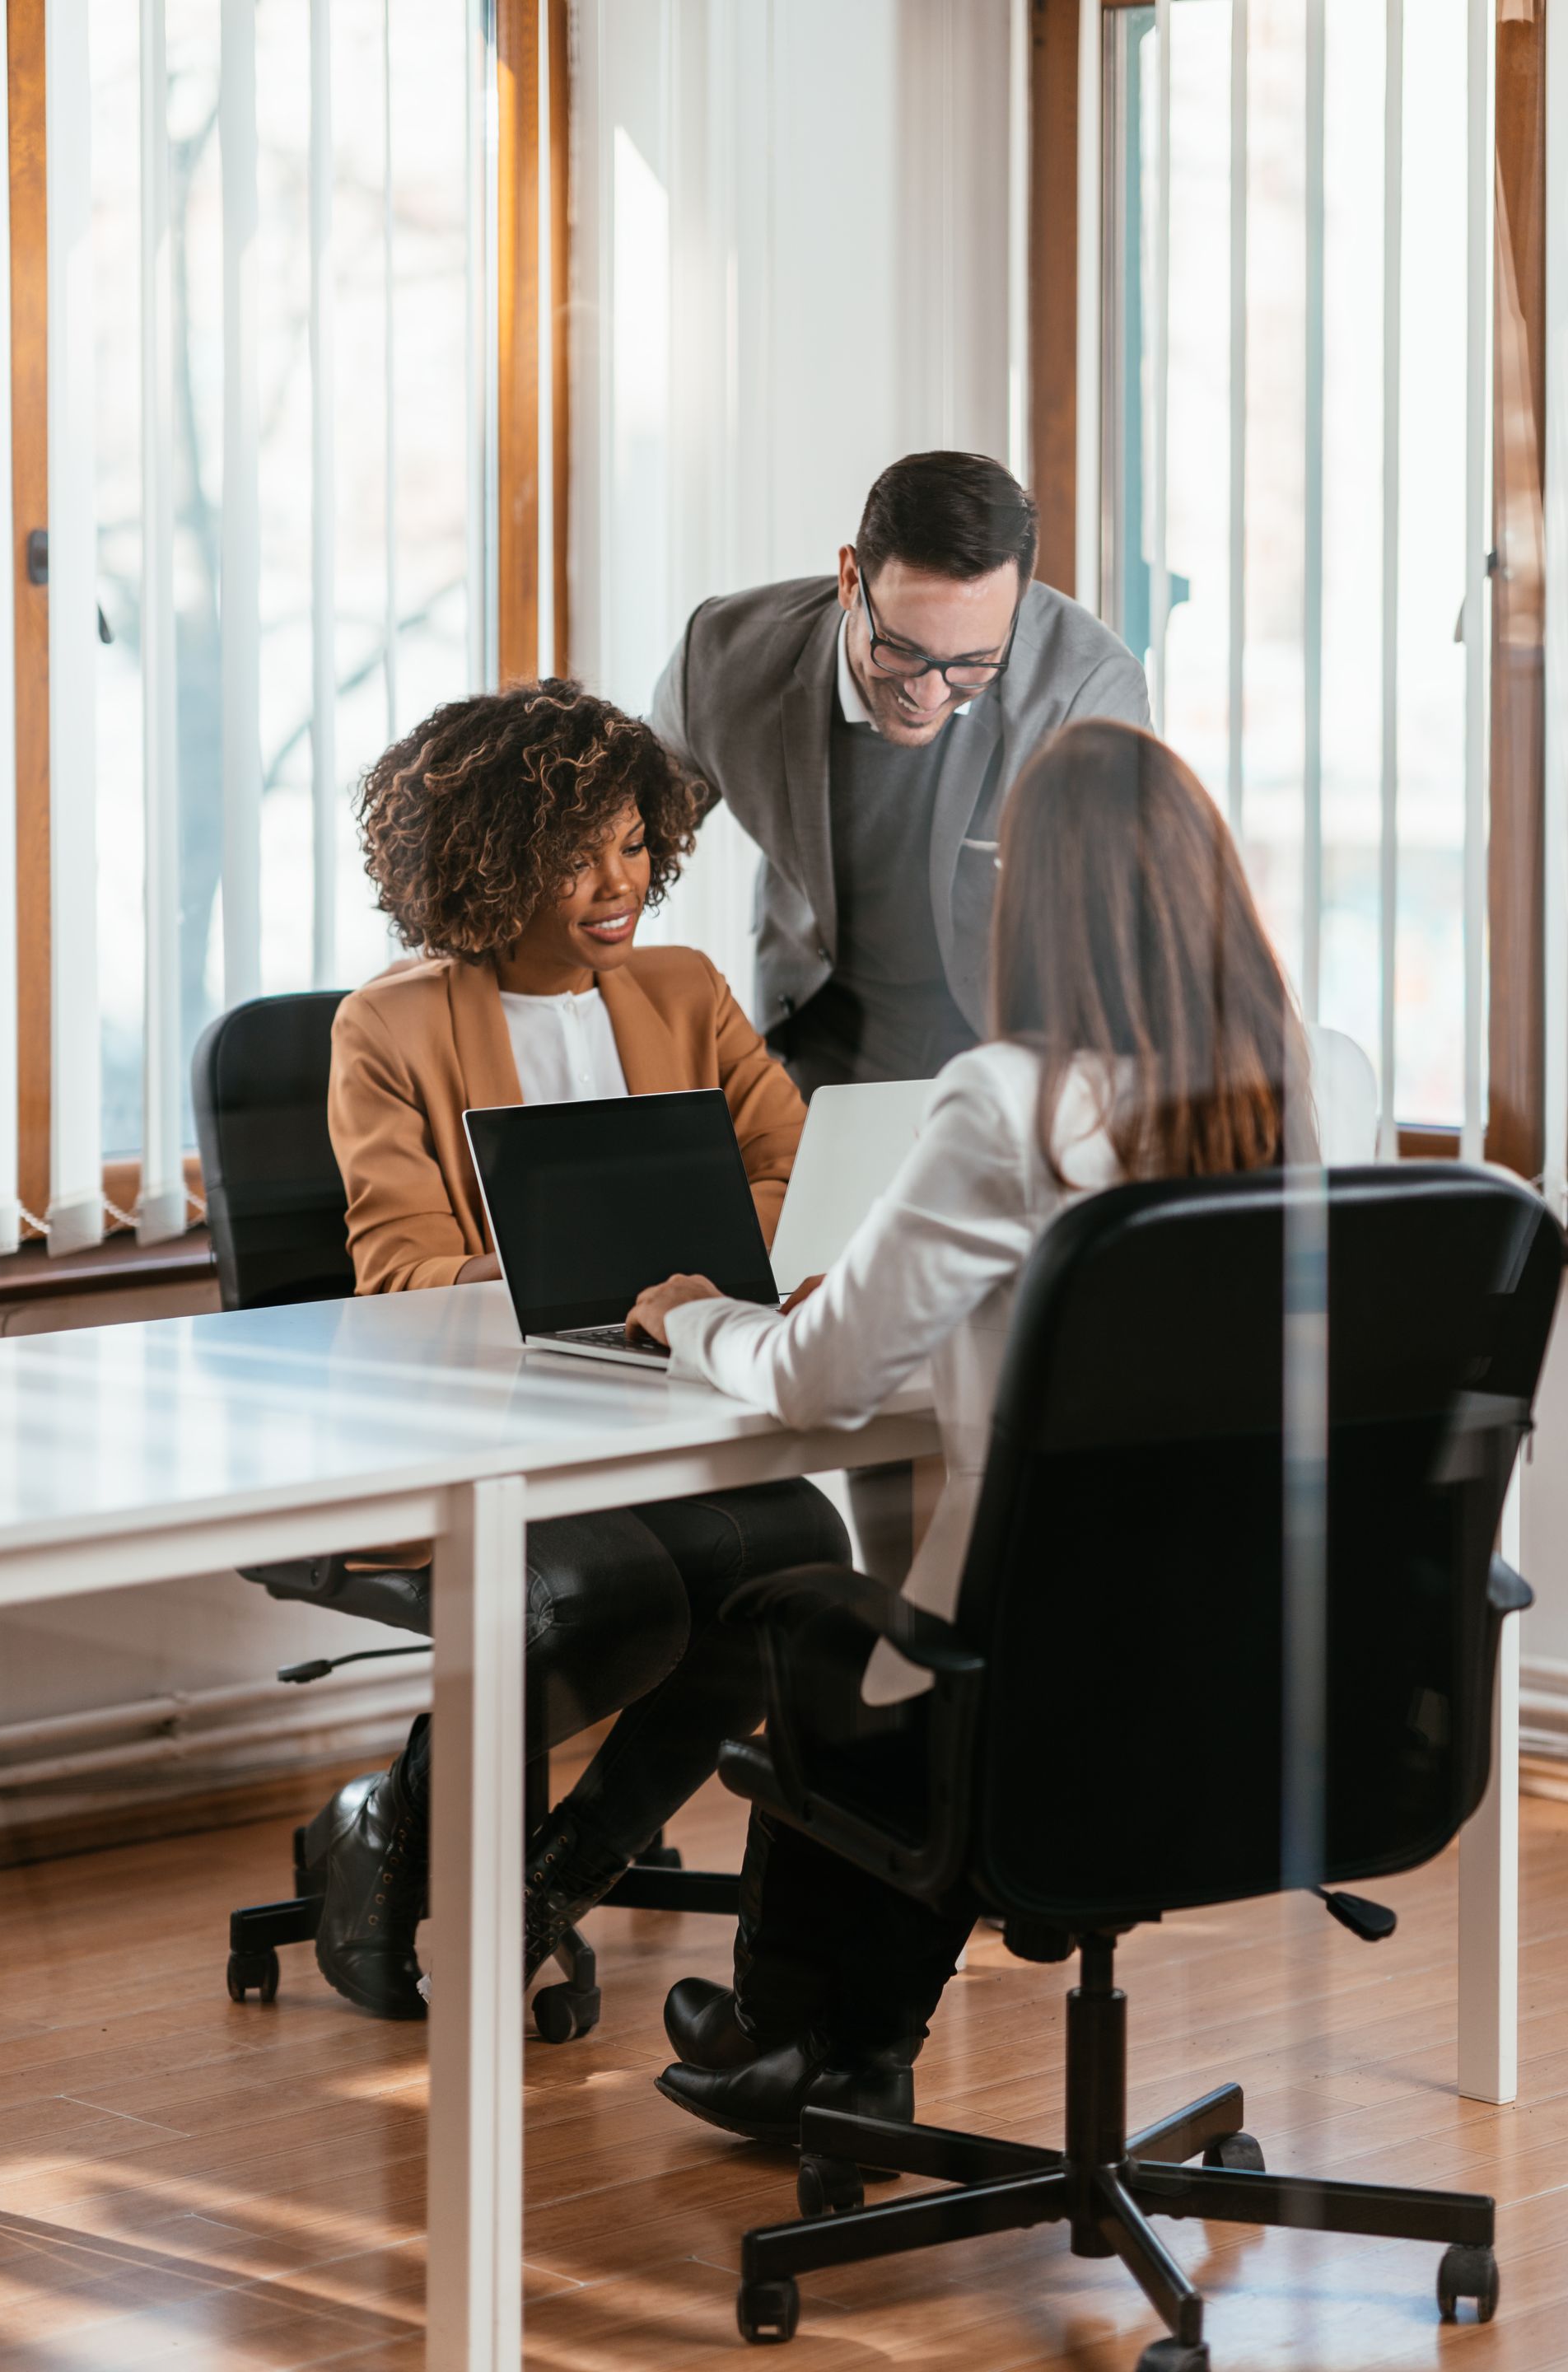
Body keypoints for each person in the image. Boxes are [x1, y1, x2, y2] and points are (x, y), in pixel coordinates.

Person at [623, 718, 1317, 2142]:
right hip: (1239, 1675)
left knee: (825, 1630)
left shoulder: (1009, 1100)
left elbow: (815, 1382)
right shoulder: (1279, 1091)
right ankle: (853, 2055)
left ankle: (790, 2034)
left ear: (1034, 905)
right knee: (924, 1655)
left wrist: (698, 1315)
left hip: (1047, 1686)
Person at [309, 679, 850, 2019]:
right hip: (486, 1423)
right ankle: (393, 1822)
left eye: (633, 844)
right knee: (624, 1602)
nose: (620, 884)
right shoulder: (391, 1026)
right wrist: (570, 1280)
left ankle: (548, 1881)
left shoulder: (683, 989)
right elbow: (400, 1270)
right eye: (575, 853)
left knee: (798, 1570)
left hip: (667, 1391)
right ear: (491, 857)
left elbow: (798, 1166)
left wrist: (686, 1273)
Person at [652, 448, 1148, 1581]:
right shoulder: (724, 659)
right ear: (849, 579)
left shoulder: (1084, 683)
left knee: (977, 1402)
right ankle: (917, 1668)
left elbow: (1107, 930)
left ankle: (947, 1666)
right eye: (901, 652)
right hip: (827, 1058)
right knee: (855, 1391)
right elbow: (621, 853)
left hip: (1008, 1072)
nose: (929, 692)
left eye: (973, 665)